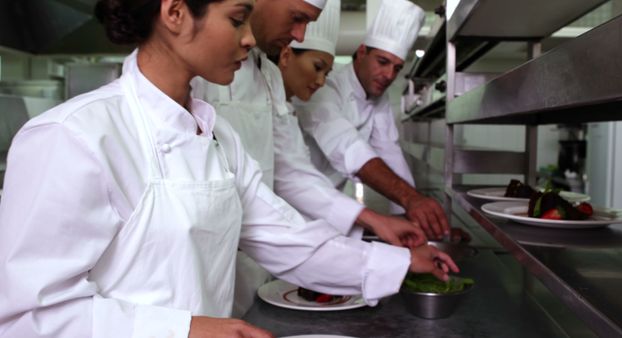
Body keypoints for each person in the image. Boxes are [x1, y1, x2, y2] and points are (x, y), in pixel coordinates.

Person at [0, 0, 458, 337]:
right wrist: (187, 330)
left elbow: (286, 238)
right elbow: (27, 318)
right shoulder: (73, 136)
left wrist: (398, 263)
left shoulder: (219, 137)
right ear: (175, 13)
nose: (249, 38)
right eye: (238, 19)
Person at [191, 0, 429, 317]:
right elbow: (343, 146)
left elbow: (291, 173)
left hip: (265, 253)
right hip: (221, 259)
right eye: (297, 18)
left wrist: (377, 219)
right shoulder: (205, 69)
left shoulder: (269, 76)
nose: (300, 35)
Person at [294, 0, 461, 241]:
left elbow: (391, 154)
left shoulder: (378, 100)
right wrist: (412, 200)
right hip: (296, 210)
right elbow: (347, 146)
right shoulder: (323, 85)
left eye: (397, 68)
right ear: (362, 52)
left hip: (332, 214)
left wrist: (420, 223)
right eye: (382, 62)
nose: (389, 75)